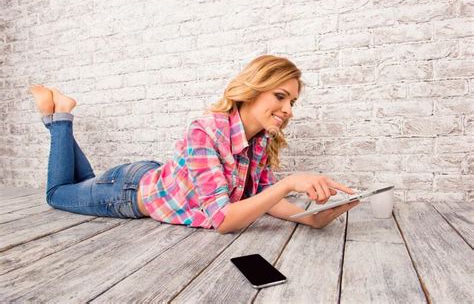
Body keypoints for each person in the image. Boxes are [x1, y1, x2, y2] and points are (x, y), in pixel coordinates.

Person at [28, 54, 359, 235]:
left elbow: (260, 200)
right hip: (127, 193)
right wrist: (289, 183)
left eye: (293, 102)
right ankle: (61, 117)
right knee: (57, 194)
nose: (288, 110)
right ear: (253, 90)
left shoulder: (258, 141)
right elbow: (224, 220)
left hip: (152, 177)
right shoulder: (206, 131)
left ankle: (57, 114)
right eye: (281, 97)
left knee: (82, 184)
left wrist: (310, 217)